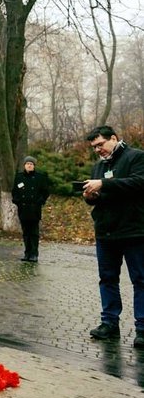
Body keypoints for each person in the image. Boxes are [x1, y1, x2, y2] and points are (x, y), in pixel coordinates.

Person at [81, 126, 144, 349]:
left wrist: (104, 184)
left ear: (114, 139)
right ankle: (109, 323)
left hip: (135, 231)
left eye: (101, 144)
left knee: (141, 280)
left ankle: (142, 329)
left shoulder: (136, 157)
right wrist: (91, 196)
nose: (98, 150)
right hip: (106, 232)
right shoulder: (99, 166)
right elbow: (100, 197)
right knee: (107, 279)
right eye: (94, 147)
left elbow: (139, 183)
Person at [12, 155, 50, 262]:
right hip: (23, 209)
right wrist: (17, 201)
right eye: (27, 164)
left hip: (34, 209)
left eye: (31, 164)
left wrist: (40, 201)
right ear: (24, 165)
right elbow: (15, 191)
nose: (29, 166)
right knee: (25, 232)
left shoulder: (39, 177)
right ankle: (27, 253)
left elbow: (45, 191)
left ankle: (34, 254)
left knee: (34, 232)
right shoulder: (19, 177)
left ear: (34, 166)